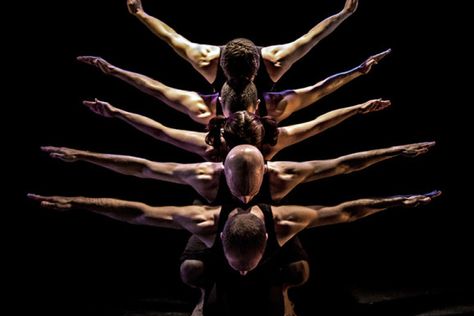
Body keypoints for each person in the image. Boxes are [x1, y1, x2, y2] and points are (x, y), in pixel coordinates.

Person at [28, 190, 441, 316]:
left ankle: (284, 291)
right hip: (212, 258)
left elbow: (349, 207)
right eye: (236, 265)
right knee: (190, 269)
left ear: (266, 243)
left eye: (251, 265)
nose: (244, 273)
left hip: (272, 257)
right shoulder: (206, 224)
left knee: (300, 271)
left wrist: (401, 201)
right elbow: (138, 210)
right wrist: (75, 202)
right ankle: (203, 297)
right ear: (221, 241)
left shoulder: (282, 222)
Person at [124, 0, 364, 90]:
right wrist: (344, 13)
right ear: (258, 61)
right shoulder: (275, 60)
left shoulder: (207, 60)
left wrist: (140, 14)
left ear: (222, 60)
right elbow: (313, 37)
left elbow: (170, 36)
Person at [41, 142, 435, 205]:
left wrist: (396, 153)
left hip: (269, 238)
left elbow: (346, 165)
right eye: (237, 185)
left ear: (267, 169)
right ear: (221, 172)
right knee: (192, 268)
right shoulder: (203, 177)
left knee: (296, 268)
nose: (245, 197)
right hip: (217, 243)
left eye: (252, 185)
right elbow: (141, 170)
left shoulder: (282, 176)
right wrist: (82, 157)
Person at [77, 49, 390, 125]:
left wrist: (114, 75)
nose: (235, 120)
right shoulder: (275, 107)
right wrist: (358, 73)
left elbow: (155, 90)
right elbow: (321, 92)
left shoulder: (203, 108)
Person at [82, 98, 391, 161]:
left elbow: (160, 132)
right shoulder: (212, 148)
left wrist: (118, 112)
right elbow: (320, 123)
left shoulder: (211, 144)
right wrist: (357, 108)